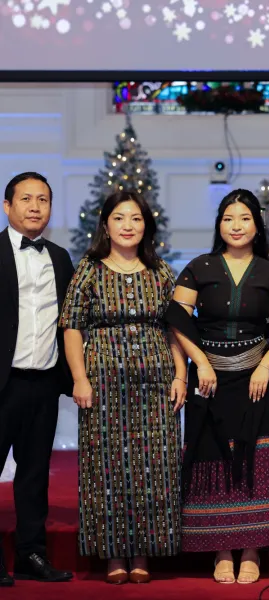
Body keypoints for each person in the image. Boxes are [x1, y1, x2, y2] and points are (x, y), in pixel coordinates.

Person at [166, 189, 269, 585]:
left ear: (257, 226)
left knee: (256, 458)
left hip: (256, 379)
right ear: (219, 225)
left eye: (244, 218)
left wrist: (265, 367)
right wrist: (201, 363)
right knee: (209, 458)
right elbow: (177, 319)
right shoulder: (199, 267)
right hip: (208, 378)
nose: (236, 226)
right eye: (228, 218)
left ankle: (252, 548)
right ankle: (221, 549)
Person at [59, 191, 185, 585]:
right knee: (106, 466)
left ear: (146, 225)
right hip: (102, 382)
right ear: (106, 225)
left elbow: (176, 329)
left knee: (156, 464)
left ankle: (144, 550)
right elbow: (72, 327)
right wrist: (79, 377)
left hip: (156, 381)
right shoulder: (89, 270)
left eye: (135, 218)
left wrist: (181, 375)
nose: (127, 226)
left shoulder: (161, 272)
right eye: (119, 218)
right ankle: (113, 553)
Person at [0, 172, 74, 586]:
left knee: (34, 476)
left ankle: (31, 555)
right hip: (2, 383)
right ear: (7, 206)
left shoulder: (60, 258)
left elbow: (70, 323)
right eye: (26, 199)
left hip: (44, 382)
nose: (34, 207)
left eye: (43, 199)